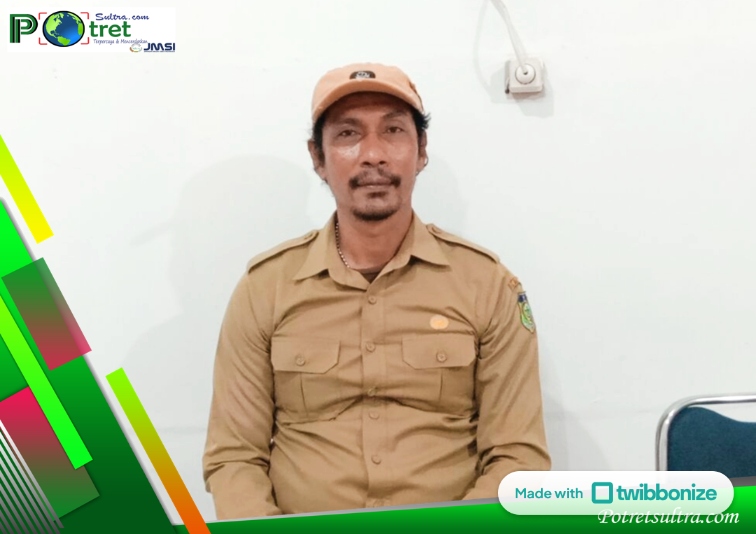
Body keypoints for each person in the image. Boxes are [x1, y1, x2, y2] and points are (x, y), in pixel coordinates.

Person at [202, 62, 551, 519]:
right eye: (348, 134)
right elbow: (234, 457)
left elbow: (518, 457)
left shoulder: (486, 285)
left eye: (393, 131)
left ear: (421, 150)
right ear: (318, 157)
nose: (373, 155)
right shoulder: (265, 288)